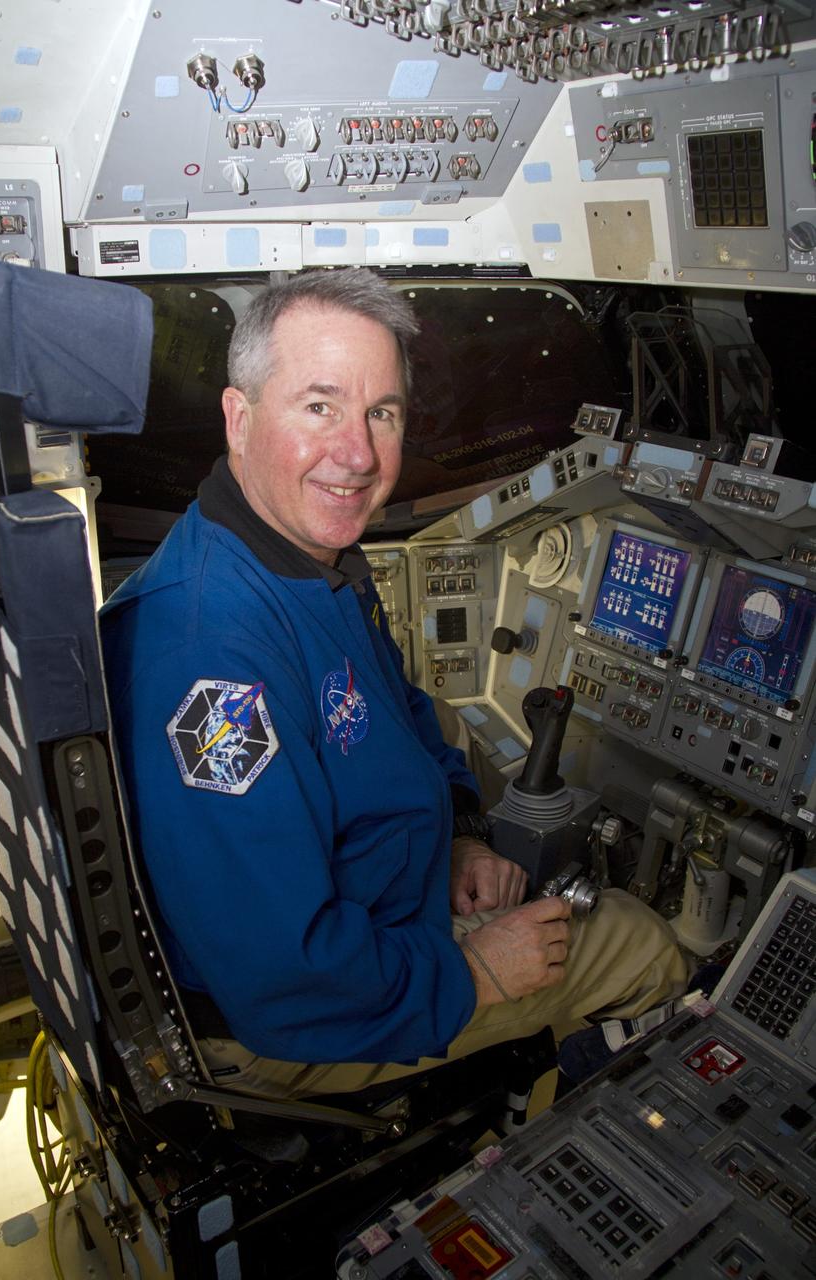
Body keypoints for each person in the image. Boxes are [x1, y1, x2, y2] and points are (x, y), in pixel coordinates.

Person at [100, 268, 688, 1099]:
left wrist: (455, 836)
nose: (358, 454)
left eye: (381, 412)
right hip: (295, 1017)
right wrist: (475, 969)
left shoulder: (318, 558)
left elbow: (397, 712)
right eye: (318, 405)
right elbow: (283, 975)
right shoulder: (212, 659)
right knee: (632, 940)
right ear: (239, 418)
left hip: (368, 935)